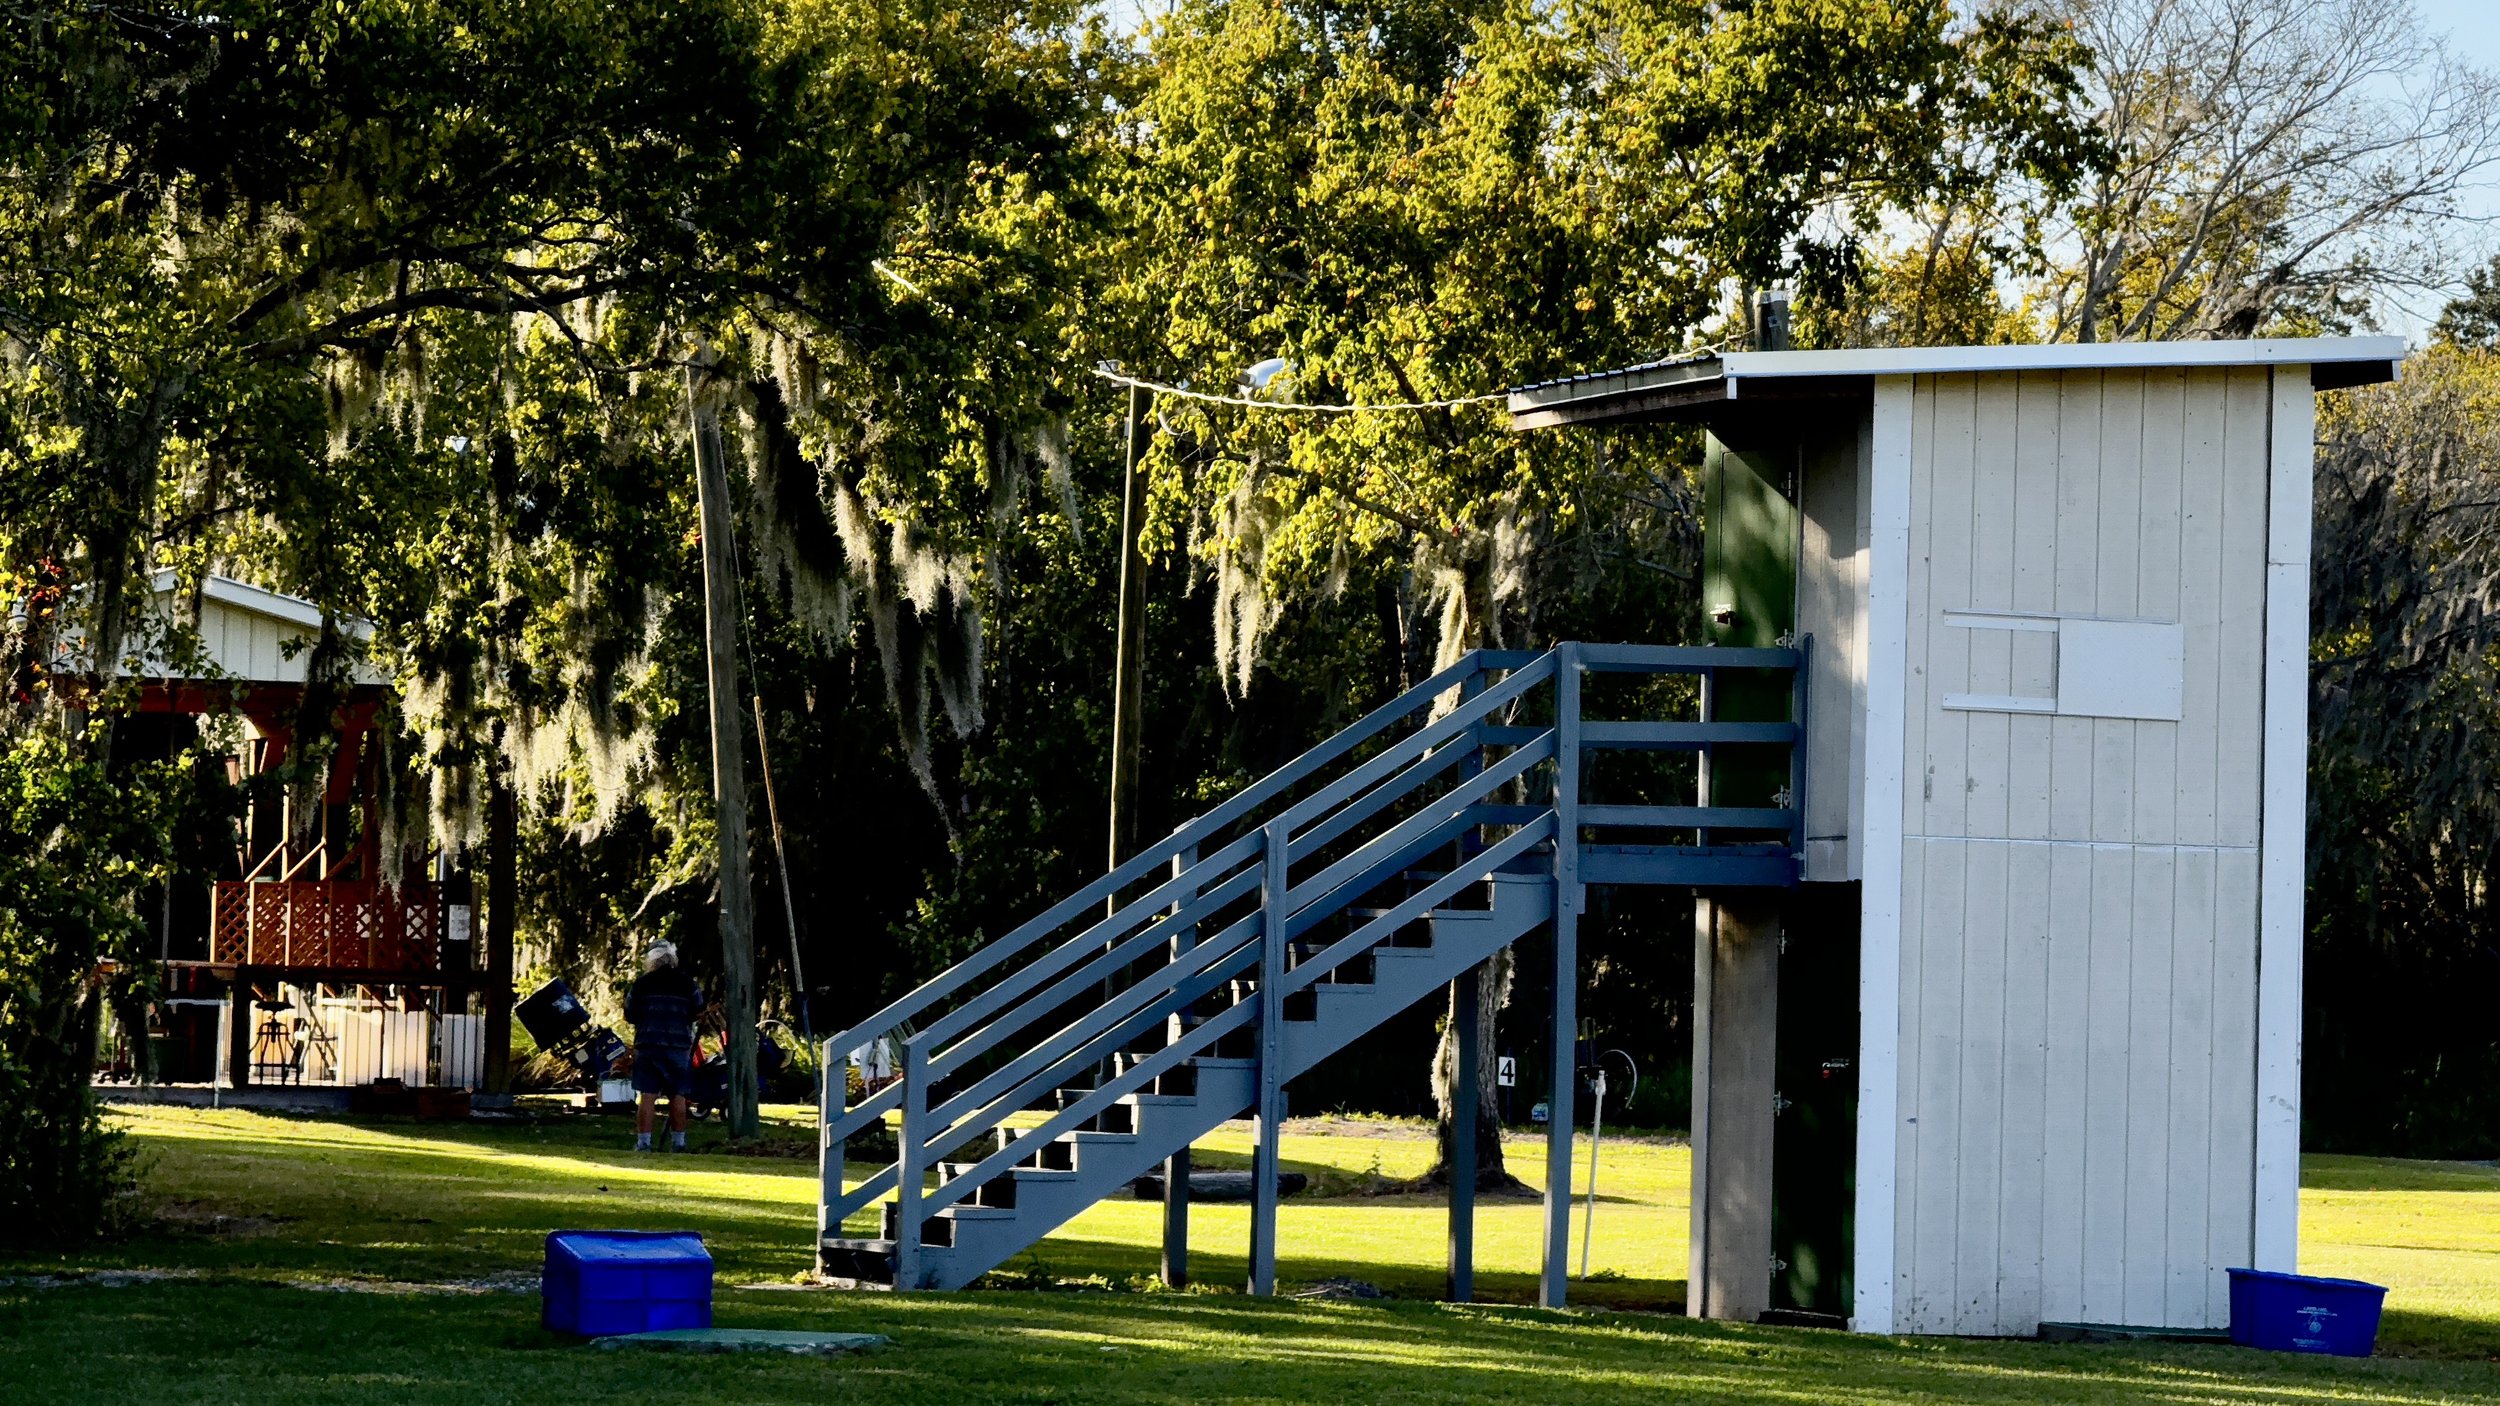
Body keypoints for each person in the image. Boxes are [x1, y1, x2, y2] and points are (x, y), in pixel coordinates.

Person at [623, 941, 702, 1152]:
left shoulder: (642, 984)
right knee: (678, 1094)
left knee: (647, 1094)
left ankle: (643, 1144)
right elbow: (698, 1011)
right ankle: (679, 1144)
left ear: (651, 961)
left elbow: (630, 1014)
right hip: (678, 1046)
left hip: (648, 1045)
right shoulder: (687, 984)